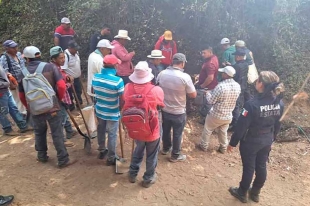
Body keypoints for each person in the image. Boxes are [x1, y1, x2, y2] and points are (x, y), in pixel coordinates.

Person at [228, 71, 285, 203]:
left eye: (258, 80)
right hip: (267, 139)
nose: (256, 82)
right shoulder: (279, 103)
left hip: (251, 141)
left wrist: (233, 142)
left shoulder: (251, 104)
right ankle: (255, 192)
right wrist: (272, 139)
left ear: (261, 84)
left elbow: (241, 126)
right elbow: (278, 123)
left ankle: (242, 192)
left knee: (249, 167)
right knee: (261, 166)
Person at [19, 46, 76, 168]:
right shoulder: (50, 67)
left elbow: (21, 95)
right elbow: (61, 86)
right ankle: (62, 159)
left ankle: (42, 155)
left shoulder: (22, 72)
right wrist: (57, 100)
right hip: (52, 107)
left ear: (27, 59)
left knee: (39, 132)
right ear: (39, 55)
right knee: (57, 132)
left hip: (35, 108)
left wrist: (30, 106)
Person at [125, 61, 165, 188]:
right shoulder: (156, 90)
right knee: (152, 154)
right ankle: (148, 178)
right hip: (151, 128)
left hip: (135, 127)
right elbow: (160, 105)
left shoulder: (128, 88)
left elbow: (125, 101)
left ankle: (132, 173)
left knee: (138, 149)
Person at [157, 53, 197, 162]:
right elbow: (193, 95)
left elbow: (157, 88)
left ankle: (165, 148)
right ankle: (175, 155)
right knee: (177, 133)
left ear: (172, 62)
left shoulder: (162, 74)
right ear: (183, 63)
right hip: (178, 111)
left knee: (165, 130)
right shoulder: (185, 77)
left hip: (165, 109)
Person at [196, 66, 241, 153]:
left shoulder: (220, 86)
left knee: (208, 129)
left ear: (225, 75)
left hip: (216, 114)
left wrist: (207, 93)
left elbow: (211, 101)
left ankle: (203, 145)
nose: (221, 74)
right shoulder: (237, 86)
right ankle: (223, 148)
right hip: (228, 115)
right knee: (223, 131)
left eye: (222, 73)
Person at [92, 54, 124, 164]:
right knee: (112, 133)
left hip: (100, 109)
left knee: (101, 129)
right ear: (114, 66)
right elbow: (122, 98)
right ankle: (111, 157)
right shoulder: (118, 81)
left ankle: (101, 150)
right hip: (112, 111)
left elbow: (93, 91)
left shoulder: (95, 77)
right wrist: (120, 108)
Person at [50, 46, 77, 146]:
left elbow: (63, 77)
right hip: (59, 97)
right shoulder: (54, 69)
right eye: (60, 58)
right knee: (61, 118)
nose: (63, 60)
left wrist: (67, 77)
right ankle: (62, 140)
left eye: (63, 57)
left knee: (64, 114)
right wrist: (70, 83)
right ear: (53, 59)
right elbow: (59, 86)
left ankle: (69, 131)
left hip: (61, 96)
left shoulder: (57, 68)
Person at [0, 65, 30, 135]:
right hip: (1, 92)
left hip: (6, 90)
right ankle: (7, 129)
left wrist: (7, 74)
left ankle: (23, 126)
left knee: (14, 108)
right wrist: (5, 83)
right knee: (3, 112)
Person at [0, 40, 27, 116]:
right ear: (7, 49)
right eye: (13, 48)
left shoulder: (18, 55)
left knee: (25, 97)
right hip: (14, 82)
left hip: (23, 80)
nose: (16, 49)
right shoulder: (4, 58)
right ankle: (22, 115)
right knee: (17, 99)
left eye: (16, 47)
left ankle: (27, 112)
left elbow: (23, 66)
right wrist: (10, 83)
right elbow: (4, 72)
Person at [230, 48, 250, 130]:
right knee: (241, 105)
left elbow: (234, 76)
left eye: (235, 56)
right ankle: (238, 122)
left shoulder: (236, 66)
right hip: (244, 87)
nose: (235, 57)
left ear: (238, 56)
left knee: (236, 106)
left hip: (237, 87)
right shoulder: (246, 64)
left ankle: (236, 125)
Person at [62, 40, 82, 110]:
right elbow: (63, 69)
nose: (76, 50)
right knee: (70, 94)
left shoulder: (76, 53)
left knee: (78, 91)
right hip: (69, 79)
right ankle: (71, 107)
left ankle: (79, 104)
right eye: (75, 49)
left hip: (77, 77)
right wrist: (68, 77)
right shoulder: (65, 56)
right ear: (70, 48)